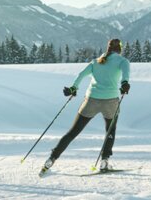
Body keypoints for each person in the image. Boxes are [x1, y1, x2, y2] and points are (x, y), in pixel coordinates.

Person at [39, 37, 130, 176]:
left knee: (73, 132)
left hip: (91, 100)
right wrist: (124, 85)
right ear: (120, 48)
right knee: (110, 132)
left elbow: (81, 75)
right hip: (111, 101)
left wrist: (73, 88)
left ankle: (51, 159)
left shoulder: (96, 61)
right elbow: (125, 76)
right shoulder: (123, 61)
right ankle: (104, 161)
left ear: (108, 48)